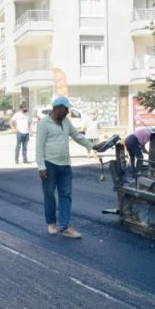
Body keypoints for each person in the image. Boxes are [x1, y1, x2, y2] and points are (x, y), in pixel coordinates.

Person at [35, 97, 99, 239]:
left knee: (66, 195)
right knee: (49, 194)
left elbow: (77, 136)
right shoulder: (44, 123)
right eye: (65, 109)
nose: (67, 111)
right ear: (57, 108)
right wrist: (41, 165)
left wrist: (92, 146)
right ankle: (51, 223)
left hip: (65, 164)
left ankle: (64, 227)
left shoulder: (66, 122)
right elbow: (39, 145)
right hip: (49, 164)